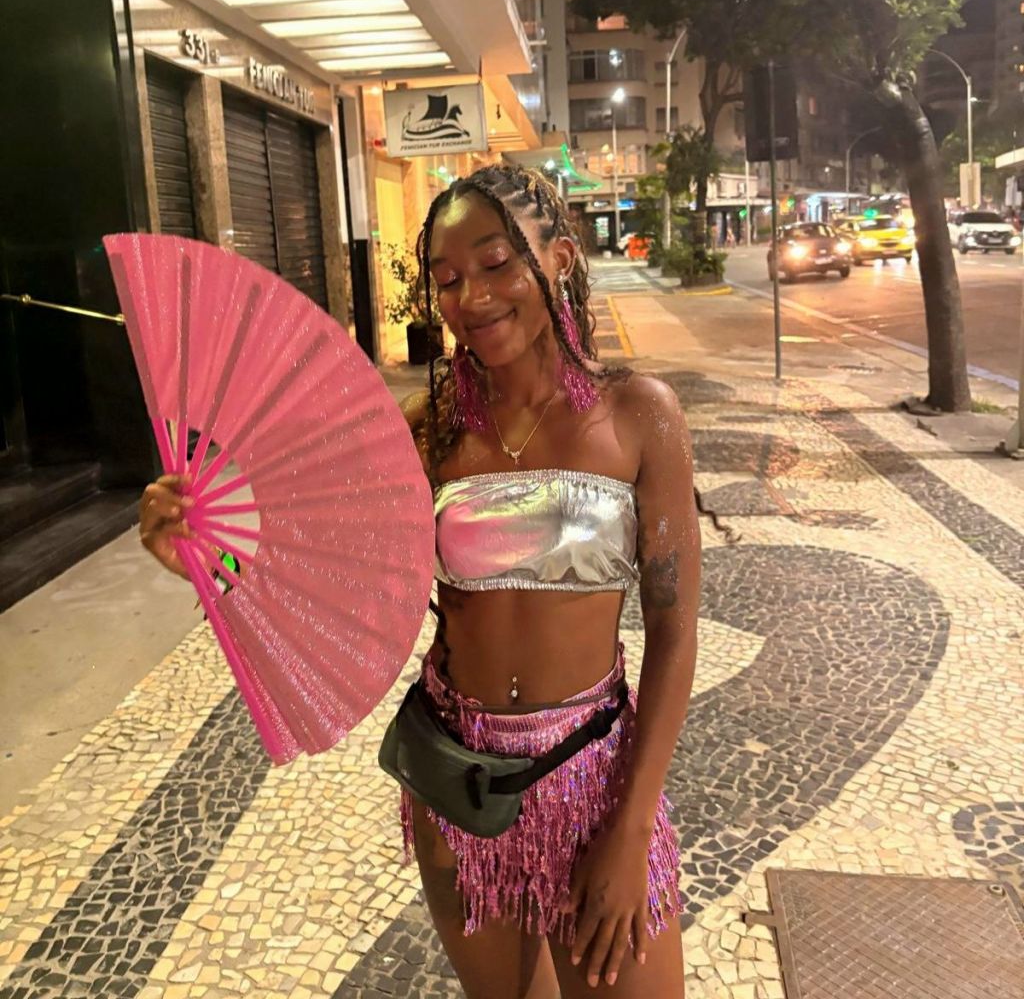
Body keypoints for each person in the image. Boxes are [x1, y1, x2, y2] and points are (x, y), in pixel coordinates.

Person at [138, 163, 701, 999]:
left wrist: (630, 824)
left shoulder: (636, 414)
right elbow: (321, 570)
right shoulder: (429, 430)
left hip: (595, 780)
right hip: (457, 783)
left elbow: (676, 630)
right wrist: (198, 544)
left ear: (561, 259)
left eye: (496, 262)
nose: (472, 296)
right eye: (446, 278)